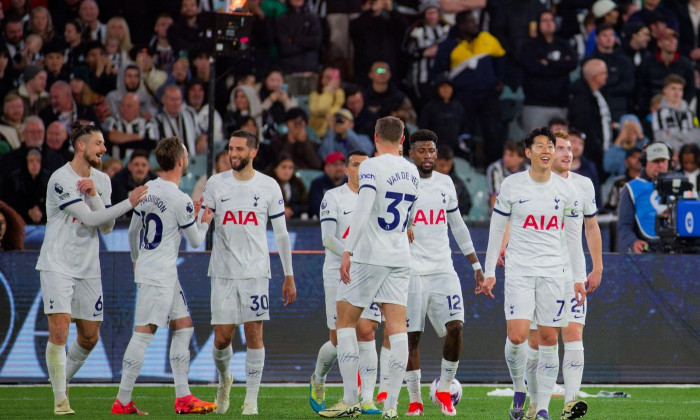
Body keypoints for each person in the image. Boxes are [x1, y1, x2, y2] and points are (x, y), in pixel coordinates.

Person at [36, 123, 148, 415]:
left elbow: (107, 227)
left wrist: (97, 194)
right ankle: (61, 400)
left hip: (88, 266)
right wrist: (130, 202)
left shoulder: (102, 179)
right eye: (99, 143)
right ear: (82, 146)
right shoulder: (61, 179)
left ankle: (59, 379)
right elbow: (90, 219)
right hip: (57, 263)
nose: (104, 149)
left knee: (89, 336)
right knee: (59, 330)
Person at [479, 126, 583, 420]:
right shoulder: (512, 185)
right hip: (520, 271)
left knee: (549, 339)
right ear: (528, 153)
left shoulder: (567, 190)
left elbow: (574, 238)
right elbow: (497, 228)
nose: (547, 150)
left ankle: (542, 409)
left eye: (550, 145)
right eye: (540, 146)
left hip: (553, 272)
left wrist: (578, 277)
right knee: (518, 336)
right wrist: (489, 272)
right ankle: (519, 387)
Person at [319, 116, 419, 419]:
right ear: (402, 140)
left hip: (369, 255)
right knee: (397, 328)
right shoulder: (412, 170)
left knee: (345, 322)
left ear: (375, 138)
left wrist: (347, 251)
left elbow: (363, 210)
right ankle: (391, 405)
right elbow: (411, 216)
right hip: (400, 256)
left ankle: (351, 399)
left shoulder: (371, 167)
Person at [111, 136, 216, 415]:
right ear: (181, 161)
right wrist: (204, 221)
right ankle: (122, 400)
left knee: (184, 327)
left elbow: (133, 231)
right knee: (144, 333)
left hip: (157, 270)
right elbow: (195, 241)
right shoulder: (180, 198)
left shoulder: (145, 189)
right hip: (159, 274)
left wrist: (135, 258)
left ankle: (183, 398)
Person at [202, 129, 296, 415]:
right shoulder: (215, 184)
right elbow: (200, 228)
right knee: (222, 338)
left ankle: (251, 400)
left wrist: (288, 275)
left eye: (240, 149)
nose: (233, 154)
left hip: (256, 270)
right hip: (222, 271)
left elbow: (280, 234)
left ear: (253, 153)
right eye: (231, 148)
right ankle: (224, 379)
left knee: (254, 332)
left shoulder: (268, 186)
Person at [521, 130, 603, 420]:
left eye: (571, 149)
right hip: (539, 271)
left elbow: (591, 227)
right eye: (562, 149)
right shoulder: (529, 184)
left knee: (574, 332)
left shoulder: (583, 185)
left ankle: (570, 403)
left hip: (573, 272)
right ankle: (535, 402)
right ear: (547, 153)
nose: (568, 154)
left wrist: (597, 266)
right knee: (538, 339)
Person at [403, 129, 484, 416]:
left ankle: (444, 388)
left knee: (456, 327)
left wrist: (476, 265)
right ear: (410, 153)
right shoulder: (401, 182)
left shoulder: (446, 183)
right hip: (410, 270)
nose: (427, 156)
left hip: (442, 269)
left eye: (431, 151)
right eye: (422, 151)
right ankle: (415, 399)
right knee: (411, 337)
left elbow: (458, 226)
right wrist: (403, 226)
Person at [310, 149, 384, 416]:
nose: (360, 169)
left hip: (370, 272)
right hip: (337, 272)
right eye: (355, 165)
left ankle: (366, 399)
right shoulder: (334, 197)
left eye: (365, 165)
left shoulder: (377, 197)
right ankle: (319, 376)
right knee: (339, 338)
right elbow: (328, 239)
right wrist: (350, 255)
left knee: (367, 332)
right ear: (346, 169)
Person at [519, 10, 578, 132]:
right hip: (536, 105)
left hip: (561, 104)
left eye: (551, 20)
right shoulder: (529, 46)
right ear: (538, 24)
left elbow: (572, 63)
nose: (549, 23)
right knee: (537, 146)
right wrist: (560, 65)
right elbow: (533, 67)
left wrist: (548, 63)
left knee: (560, 146)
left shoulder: (564, 44)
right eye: (544, 20)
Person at [617, 142, 671, 253]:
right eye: (656, 161)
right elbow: (624, 226)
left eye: (664, 161)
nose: (660, 165)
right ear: (645, 162)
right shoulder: (631, 188)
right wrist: (633, 242)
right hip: (647, 248)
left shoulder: (680, 185)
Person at [651, 74, 700, 150]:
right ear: (665, 90)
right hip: (670, 154)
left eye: (680, 89)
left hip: (690, 153)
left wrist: (674, 134)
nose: (677, 92)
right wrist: (682, 142)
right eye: (673, 88)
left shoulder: (690, 113)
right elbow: (660, 138)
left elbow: (697, 134)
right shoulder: (658, 114)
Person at [110, 150, 158, 218]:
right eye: (136, 164)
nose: (140, 168)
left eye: (143, 165)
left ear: (148, 167)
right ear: (129, 166)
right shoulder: (118, 180)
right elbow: (119, 207)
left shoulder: (156, 181)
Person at [486, 140, 529, 211]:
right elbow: (494, 199)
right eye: (505, 154)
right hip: (501, 213)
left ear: (521, 159)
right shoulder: (495, 169)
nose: (506, 158)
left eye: (511, 155)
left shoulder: (529, 170)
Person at [267, 154, 308, 219]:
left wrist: (292, 209)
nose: (287, 171)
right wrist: (280, 210)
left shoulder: (298, 184)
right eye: (284, 167)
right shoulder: (266, 184)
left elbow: (306, 205)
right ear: (275, 168)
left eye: (290, 168)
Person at [308, 152, 347, 219]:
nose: (339, 168)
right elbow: (316, 208)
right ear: (326, 168)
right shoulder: (318, 184)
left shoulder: (350, 183)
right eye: (335, 165)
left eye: (342, 164)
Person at [604, 148, 642, 214]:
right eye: (634, 157)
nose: (638, 160)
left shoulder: (649, 182)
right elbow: (610, 206)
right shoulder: (618, 182)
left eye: (640, 157)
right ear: (626, 161)